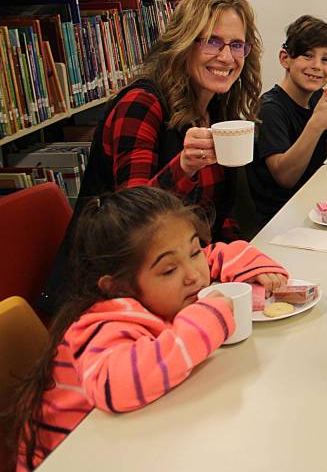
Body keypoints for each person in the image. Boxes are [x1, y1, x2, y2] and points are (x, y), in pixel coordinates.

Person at [4, 187, 290, 471]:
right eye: (168, 270)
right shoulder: (102, 323)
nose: (194, 275)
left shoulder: (170, 280)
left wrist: (251, 267)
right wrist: (205, 321)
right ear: (117, 286)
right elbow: (117, 386)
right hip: (75, 456)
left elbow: (214, 255)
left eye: (192, 251)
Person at [38, 0, 263, 317]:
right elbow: (132, 225)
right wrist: (184, 166)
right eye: (212, 42)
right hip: (114, 296)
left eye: (236, 45)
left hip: (178, 280)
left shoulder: (217, 106)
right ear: (184, 43)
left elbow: (215, 212)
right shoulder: (142, 103)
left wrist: (239, 259)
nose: (227, 57)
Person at [249, 15, 327, 226]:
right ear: (285, 58)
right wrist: (315, 125)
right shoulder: (269, 109)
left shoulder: (316, 98)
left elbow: (322, 152)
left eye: (325, 59)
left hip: (315, 201)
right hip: (281, 219)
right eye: (307, 56)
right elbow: (285, 177)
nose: (316, 65)